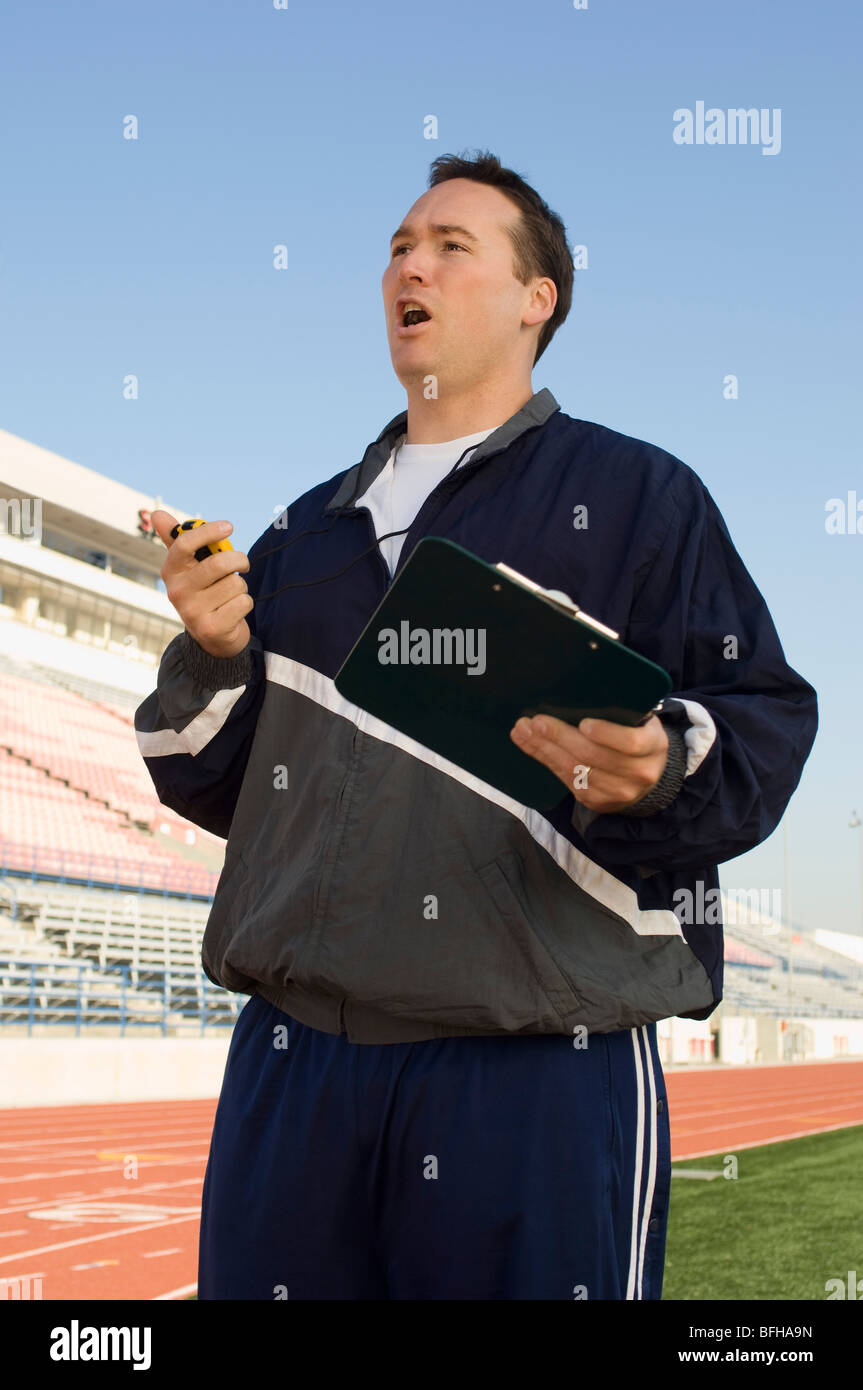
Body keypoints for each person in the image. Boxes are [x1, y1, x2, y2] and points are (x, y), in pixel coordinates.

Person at [135, 149, 818, 1300]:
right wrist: (210, 656)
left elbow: (764, 724)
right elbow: (210, 787)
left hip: (535, 1067)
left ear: (533, 299)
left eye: (452, 246)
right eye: (400, 247)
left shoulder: (641, 497)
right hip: (293, 1066)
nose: (411, 264)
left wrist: (661, 763)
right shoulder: (304, 532)